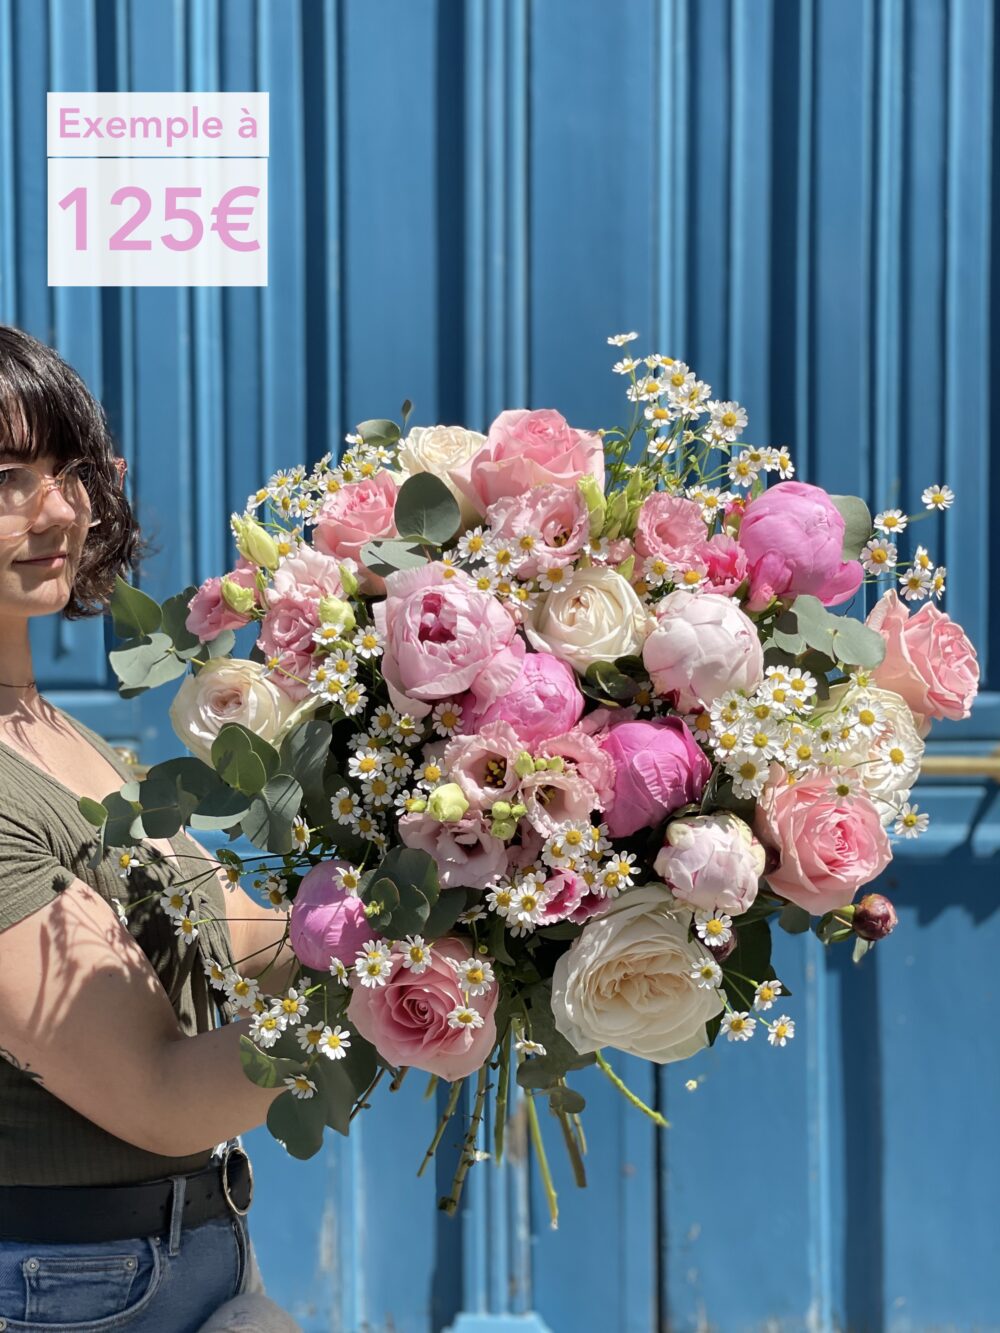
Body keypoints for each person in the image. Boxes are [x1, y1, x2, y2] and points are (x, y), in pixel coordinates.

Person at [0, 325, 303, 1331]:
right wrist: (403, 997)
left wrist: (441, 883)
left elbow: (238, 934)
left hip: (165, 1263)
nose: (62, 509)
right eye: (10, 476)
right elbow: (162, 1093)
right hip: (67, 1287)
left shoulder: (58, 735)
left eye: (74, 470)